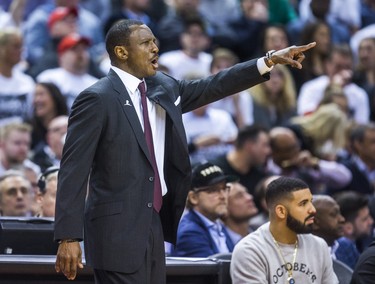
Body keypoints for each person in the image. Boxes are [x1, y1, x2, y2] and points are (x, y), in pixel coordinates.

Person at [53, 18, 316, 283]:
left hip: (154, 221)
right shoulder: (97, 98)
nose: (155, 48)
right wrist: (69, 236)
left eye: (154, 41)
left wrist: (268, 60)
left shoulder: (163, 86)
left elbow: (215, 85)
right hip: (115, 229)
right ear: (121, 52)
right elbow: (73, 169)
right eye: (145, 43)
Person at [230, 176, 339, 283]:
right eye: (303, 204)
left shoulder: (319, 245)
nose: (313, 210)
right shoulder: (250, 250)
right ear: (281, 211)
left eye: (311, 201)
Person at [172, 162, 237, 257]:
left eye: (224, 188)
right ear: (193, 197)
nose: (223, 196)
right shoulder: (190, 232)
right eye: (213, 190)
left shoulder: (217, 225)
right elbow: (208, 271)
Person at [334, 191, 374, 269]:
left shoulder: (360, 242)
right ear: (348, 227)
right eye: (365, 219)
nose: (371, 221)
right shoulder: (343, 247)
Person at [221, 181, 259, 245]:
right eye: (239, 196)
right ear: (224, 207)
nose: (249, 197)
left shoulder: (261, 231)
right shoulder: (219, 243)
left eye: (247, 192)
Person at [312, 195, 345, 259]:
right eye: (333, 214)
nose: (342, 219)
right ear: (314, 223)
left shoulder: (344, 246)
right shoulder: (305, 257)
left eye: (339, 213)